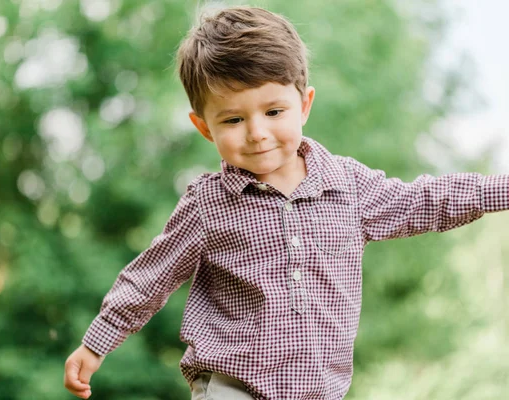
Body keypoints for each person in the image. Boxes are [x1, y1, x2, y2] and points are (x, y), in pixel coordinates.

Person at [64, 6, 509, 400]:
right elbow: (150, 277)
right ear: (204, 128)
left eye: (273, 112)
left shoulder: (348, 187)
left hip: (320, 390)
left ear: (305, 104)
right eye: (234, 119)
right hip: (229, 384)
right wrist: (96, 342)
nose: (257, 132)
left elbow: (424, 201)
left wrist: (500, 189)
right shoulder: (209, 204)